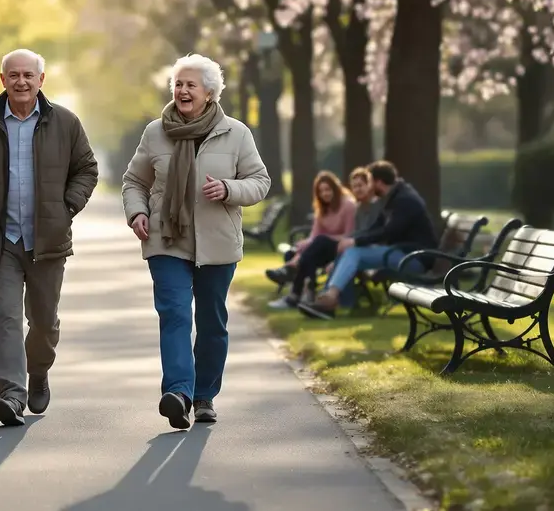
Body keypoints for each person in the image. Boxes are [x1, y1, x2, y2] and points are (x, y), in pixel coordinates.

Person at [121, 53, 270, 429]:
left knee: (212, 322)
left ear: (210, 93)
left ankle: (204, 395)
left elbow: (260, 181)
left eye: (191, 84)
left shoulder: (236, 133)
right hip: (166, 239)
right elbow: (134, 181)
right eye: (178, 84)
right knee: (174, 314)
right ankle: (178, 393)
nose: (183, 90)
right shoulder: (156, 131)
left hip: (217, 243)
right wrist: (137, 212)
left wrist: (229, 188)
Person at [0, 48, 99, 426]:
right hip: (0, 241)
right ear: (2, 80)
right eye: (13, 75)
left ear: (40, 80)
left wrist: (66, 208)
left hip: (47, 241)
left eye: (28, 76)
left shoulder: (65, 123)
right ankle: (12, 394)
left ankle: (38, 372)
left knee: (44, 322)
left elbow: (87, 168)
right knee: (5, 316)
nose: (21, 82)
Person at [298, 160, 436, 320]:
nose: (369, 187)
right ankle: (329, 301)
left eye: (369, 182)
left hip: (414, 258)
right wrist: (351, 239)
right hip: (399, 253)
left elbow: (388, 232)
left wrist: (355, 243)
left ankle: (329, 299)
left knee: (354, 252)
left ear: (378, 182)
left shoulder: (405, 200)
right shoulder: (392, 197)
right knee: (348, 251)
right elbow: (374, 228)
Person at [265, 171, 357, 309]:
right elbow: (314, 235)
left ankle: (293, 294)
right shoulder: (322, 208)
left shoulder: (348, 205)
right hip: (320, 249)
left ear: (335, 188)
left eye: (328, 189)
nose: (325, 194)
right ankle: (306, 293)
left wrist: (322, 239)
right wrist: (303, 245)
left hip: (342, 249)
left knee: (319, 242)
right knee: (293, 252)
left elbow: (350, 235)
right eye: (321, 191)